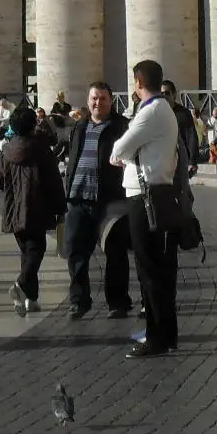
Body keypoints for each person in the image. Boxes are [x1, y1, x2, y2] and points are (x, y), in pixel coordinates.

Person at [110, 60, 182, 357]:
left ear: (138, 82)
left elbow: (119, 149)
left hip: (145, 196)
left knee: (149, 268)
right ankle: (165, 333)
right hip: (159, 191)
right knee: (159, 268)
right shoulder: (164, 109)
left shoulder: (150, 111)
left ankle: (156, 338)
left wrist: (125, 156)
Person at [61, 82, 132, 322]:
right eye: (93, 98)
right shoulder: (79, 126)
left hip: (110, 199)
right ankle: (79, 301)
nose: (97, 103)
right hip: (79, 197)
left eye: (102, 98)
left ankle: (118, 302)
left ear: (111, 100)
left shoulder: (121, 126)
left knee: (115, 252)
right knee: (75, 251)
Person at [0, 102, 65, 315]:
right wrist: (60, 208)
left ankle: (29, 300)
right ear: (33, 125)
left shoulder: (6, 150)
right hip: (37, 207)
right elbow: (54, 181)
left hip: (14, 208)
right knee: (36, 250)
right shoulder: (41, 149)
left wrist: (10, 187)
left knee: (26, 251)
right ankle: (20, 285)